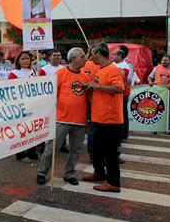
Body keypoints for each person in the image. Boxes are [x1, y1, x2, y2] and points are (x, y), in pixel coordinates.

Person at [36, 48, 89, 185]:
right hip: (61, 119)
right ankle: (42, 172)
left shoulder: (84, 76)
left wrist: (88, 118)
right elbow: (51, 95)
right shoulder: (61, 73)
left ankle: (69, 173)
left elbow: (88, 98)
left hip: (80, 120)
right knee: (52, 148)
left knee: (76, 150)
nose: (85, 59)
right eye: (82, 56)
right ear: (74, 58)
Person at [83, 42, 124, 193]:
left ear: (98, 54)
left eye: (92, 53)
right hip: (99, 118)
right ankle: (99, 173)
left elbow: (119, 88)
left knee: (110, 153)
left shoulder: (113, 69)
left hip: (110, 119)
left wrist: (98, 86)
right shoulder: (101, 69)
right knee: (97, 149)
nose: (90, 56)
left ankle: (114, 183)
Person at [8, 51, 38, 160]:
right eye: (23, 59)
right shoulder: (14, 73)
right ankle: (20, 153)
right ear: (18, 61)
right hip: (20, 106)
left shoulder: (34, 71)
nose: (25, 61)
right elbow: (11, 90)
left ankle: (32, 151)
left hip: (33, 104)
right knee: (21, 129)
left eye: (27, 58)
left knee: (32, 128)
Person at [113, 49, 131, 147]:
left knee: (123, 113)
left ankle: (124, 134)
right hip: (119, 93)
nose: (113, 56)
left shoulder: (124, 66)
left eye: (115, 54)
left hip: (123, 93)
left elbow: (123, 79)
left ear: (120, 56)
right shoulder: (115, 65)